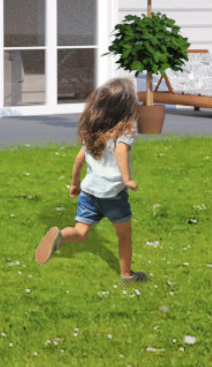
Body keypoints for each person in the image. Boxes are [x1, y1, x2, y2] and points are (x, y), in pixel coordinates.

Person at [35, 76, 147, 282]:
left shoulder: (93, 132)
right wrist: (127, 179)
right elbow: (121, 151)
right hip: (112, 194)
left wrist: (75, 183)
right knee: (124, 234)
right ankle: (127, 275)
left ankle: (60, 236)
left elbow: (79, 160)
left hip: (89, 192)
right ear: (126, 106)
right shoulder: (127, 129)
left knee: (80, 231)